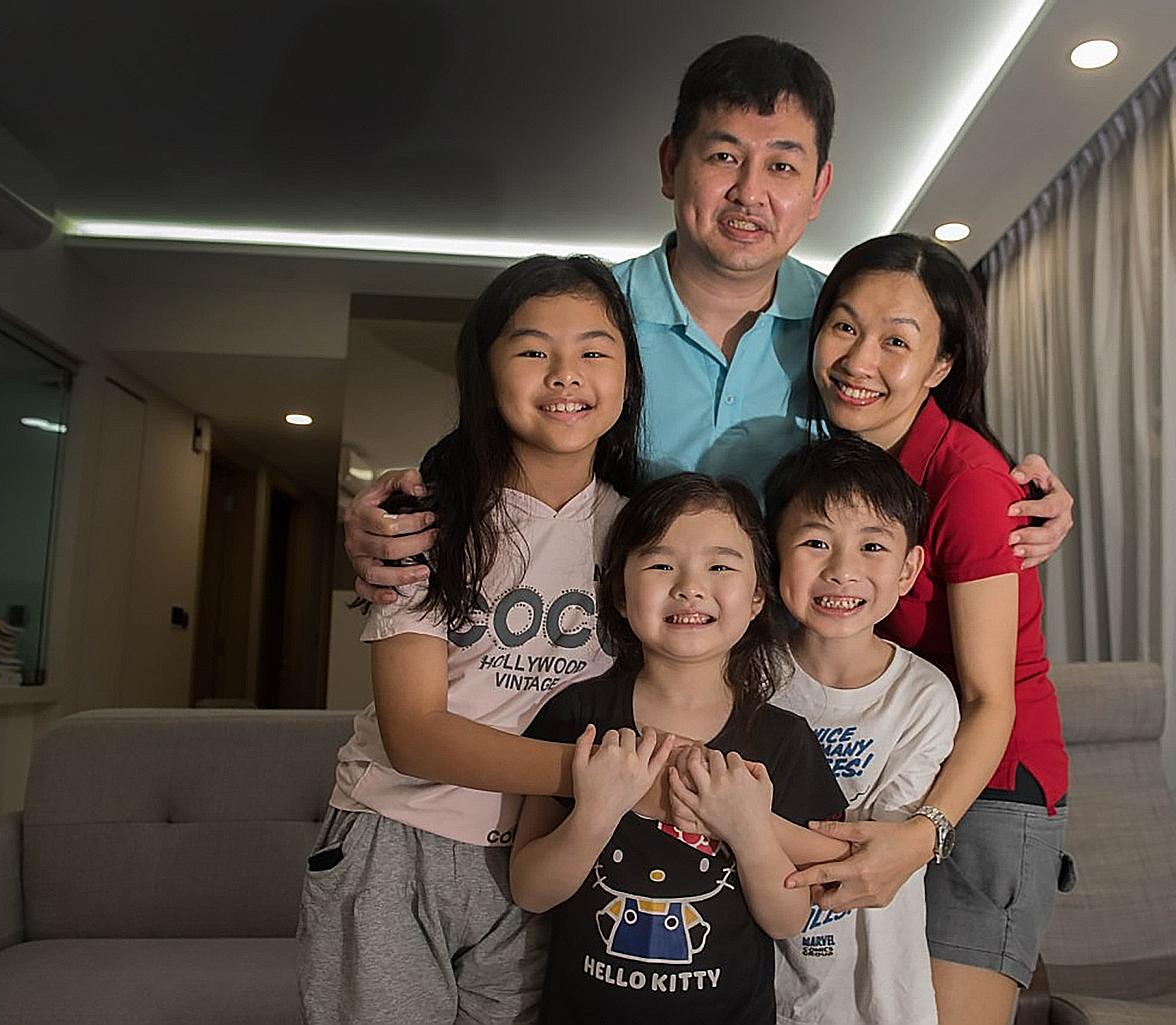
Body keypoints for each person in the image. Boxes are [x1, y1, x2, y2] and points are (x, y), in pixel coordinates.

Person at [341, 36, 1075, 602]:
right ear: (671, 165)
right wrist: (390, 521)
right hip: (593, 651)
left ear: (819, 189)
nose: (749, 192)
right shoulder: (587, 320)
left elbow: (942, 452)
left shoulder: (845, 330)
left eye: (782, 166)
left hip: (797, 675)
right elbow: (485, 455)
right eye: (724, 156)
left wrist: (1028, 496)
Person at [298, 255, 659, 1025]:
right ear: (483, 369)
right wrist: (603, 779)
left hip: (550, 852)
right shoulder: (429, 514)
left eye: (596, 350)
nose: (567, 373)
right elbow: (415, 734)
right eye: (533, 349)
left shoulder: (644, 532)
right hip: (400, 839)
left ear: (627, 373)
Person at [784, 235, 1074, 1025]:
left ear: (942, 366)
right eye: (844, 327)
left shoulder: (970, 482)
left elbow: (990, 697)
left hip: (987, 788)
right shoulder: (840, 466)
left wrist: (923, 832)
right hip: (899, 761)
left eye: (897, 342)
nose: (858, 359)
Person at [510, 473, 847, 1025]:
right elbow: (530, 889)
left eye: (720, 566)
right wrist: (595, 814)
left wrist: (748, 830)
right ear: (619, 592)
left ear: (759, 594)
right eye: (661, 564)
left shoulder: (784, 741)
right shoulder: (575, 715)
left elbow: (789, 921)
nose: (690, 586)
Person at [759, 437, 960, 1025]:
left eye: (872, 546)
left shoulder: (922, 697)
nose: (842, 570)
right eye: (815, 542)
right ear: (772, 556)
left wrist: (745, 817)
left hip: (873, 988)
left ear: (908, 569)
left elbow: (880, 849)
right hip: (752, 977)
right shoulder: (746, 678)